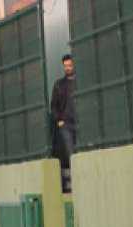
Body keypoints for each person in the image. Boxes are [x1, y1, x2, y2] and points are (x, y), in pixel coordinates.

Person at [51, 53, 76, 191]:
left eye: (70, 65)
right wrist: (59, 120)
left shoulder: (79, 82)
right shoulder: (59, 85)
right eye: (65, 66)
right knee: (71, 152)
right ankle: (74, 184)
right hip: (65, 124)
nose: (67, 68)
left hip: (79, 122)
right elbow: (53, 105)